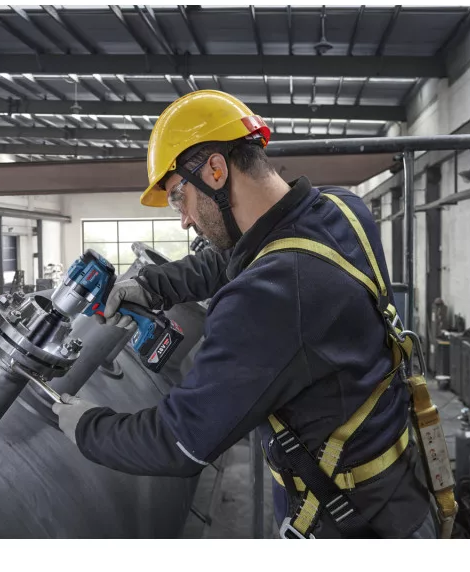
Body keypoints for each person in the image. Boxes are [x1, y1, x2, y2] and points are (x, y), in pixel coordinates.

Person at [52, 90, 439, 539]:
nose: (184, 220)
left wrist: (86, 427)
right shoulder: (340, 208)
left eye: (179, 197)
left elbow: (179, 442)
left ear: (216, 171)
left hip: (349, 528)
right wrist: (153, 285)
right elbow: (238, 257)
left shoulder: (268, 298)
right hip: (399, 496)